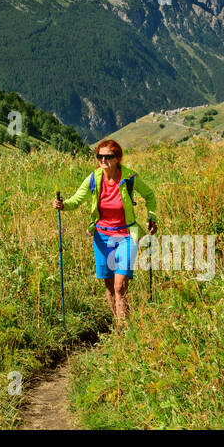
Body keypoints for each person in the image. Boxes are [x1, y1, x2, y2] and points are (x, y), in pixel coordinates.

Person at [52, 139, 157, 326]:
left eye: (108, 156)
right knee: (109, 286)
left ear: (117, 158)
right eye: (99, 156)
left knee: (119, 286)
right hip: (102, 237)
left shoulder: (129, 178)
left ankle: (125, 331)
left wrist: (151, 217)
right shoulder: (94, 178)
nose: (103, 160)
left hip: (127, 236)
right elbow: (76, 200)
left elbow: (149, 195)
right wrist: (62, 205)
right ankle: (119, 325)